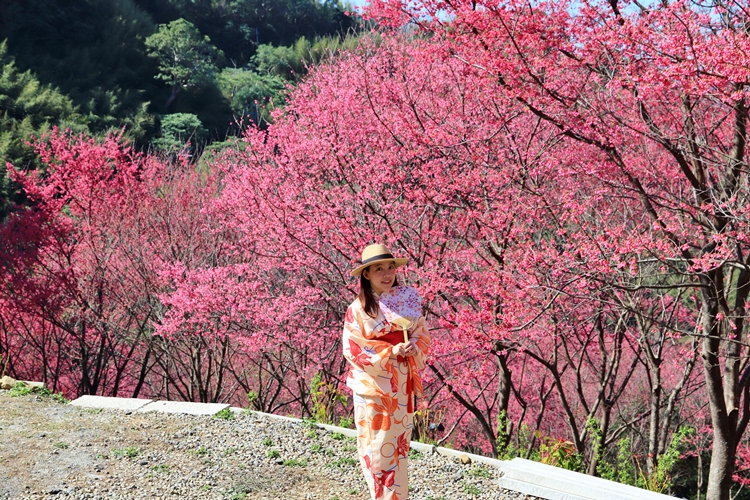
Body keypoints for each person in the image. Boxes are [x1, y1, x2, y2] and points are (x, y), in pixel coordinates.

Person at [342, 244, 431, 500]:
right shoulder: (357, 309)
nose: (386, 273)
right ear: (366, 274)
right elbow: (354, 348)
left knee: (399, 448)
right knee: (378, 448)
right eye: (378, 269)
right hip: (375, 389)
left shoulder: (404, 299)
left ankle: (399, 497)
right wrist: (390, 351)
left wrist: (413, 346)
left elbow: (421, 332)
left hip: (402, 386)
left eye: (390, 267)